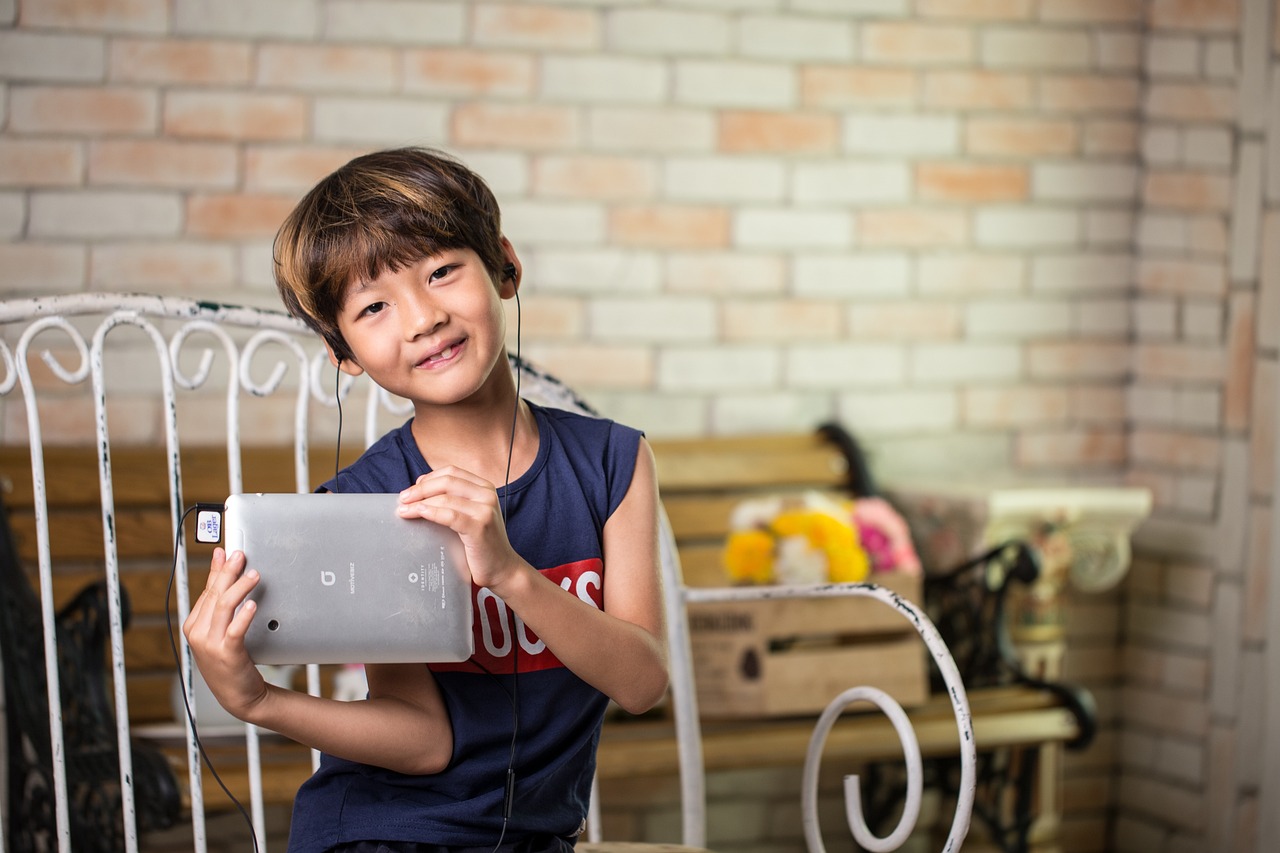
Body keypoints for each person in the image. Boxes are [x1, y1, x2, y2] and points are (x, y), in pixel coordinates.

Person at [182, 147, 670, 853]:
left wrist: (508, 572)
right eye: (374, 306)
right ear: (343, 351)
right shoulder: (369, 502)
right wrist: (258, 700)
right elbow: (425, 741)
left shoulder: (612, 462)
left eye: (442, 270)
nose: (421, 317)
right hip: (380, 832)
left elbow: (640, 681)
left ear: (504, 265)